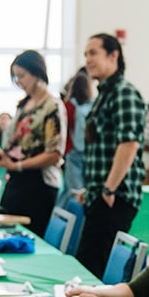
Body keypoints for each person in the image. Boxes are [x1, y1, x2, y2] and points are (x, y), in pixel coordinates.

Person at [76, 32, 146, 276]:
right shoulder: (104, 94)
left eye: (93, 53)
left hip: (115, 198)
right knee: (87, 263)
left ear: (113, 55)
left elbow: (128, 144)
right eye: (86, 54)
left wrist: (108, 188)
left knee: (92, 268)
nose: (88, 59)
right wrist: (95, 188)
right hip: (102, 195)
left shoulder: (123, 92)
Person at [0, 49, 65, 237]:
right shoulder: (23, 105)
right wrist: (1, 156)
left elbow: (54, 154)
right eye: (16, 77)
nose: (19, 81)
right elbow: (16, 144)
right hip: (17, 181)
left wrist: (17, 165)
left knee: (29, 238)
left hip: (39, 186)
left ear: (37, 72)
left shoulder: (52, 106)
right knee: (5, 233)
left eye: (22, 75)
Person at [56, 65, 94, 208]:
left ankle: (63, 221)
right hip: (84, 153)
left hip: (70, 152)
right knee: (78, 192)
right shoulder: (90, 106)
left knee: (70, 190)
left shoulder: (67, 105)